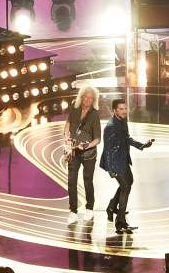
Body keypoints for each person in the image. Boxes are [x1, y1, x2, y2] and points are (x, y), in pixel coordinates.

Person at [99, 98, 153, 233]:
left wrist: (142, 145)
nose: (124, 111)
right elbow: (108, 150)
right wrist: (111, 170)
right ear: (114, 110)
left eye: (125, 108)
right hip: (114, 162)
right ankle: (120, 222)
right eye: (121, 109)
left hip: (122, 159)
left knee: (129, 182)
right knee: (126, 187)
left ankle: (112, 206)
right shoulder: (110, 127)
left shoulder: (123, 120)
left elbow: (127, 138)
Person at [63, 85, 102, 223]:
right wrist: (67, 139)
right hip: (73, 151)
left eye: (91, 98)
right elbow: (68, 124)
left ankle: (89, 209)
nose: (88, 100)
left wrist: (87, 145)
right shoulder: (75, 109)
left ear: (94, 100)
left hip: (88, 153)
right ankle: (73, 211)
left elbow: (98, 139)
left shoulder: (94, 115)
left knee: (87, 181)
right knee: (71, 181)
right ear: (81, 97)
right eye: (86, 97)